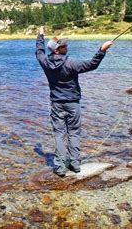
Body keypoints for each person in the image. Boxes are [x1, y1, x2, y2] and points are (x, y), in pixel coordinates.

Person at [35, 26, 113, 177]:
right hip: (72, 104)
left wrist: (40, 36)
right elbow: (92, 65)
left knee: (59, 134)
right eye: (63, 46)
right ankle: (75, 164)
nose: (66, 47)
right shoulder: (71, 63)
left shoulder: (45, 62)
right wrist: (102, 50)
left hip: (56, 104)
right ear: (57, 50)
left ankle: (60, 167)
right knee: (74, 133)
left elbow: (39, 52)